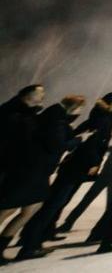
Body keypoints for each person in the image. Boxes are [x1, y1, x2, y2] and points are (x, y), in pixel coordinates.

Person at [17, 92, 112, 258]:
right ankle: (31, 242)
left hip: (74, 166)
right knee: (53, 202)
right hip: (76, 166)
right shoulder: (102, 120)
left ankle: (38, 235)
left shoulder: (100, 118)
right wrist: (93, 161)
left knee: (56, 202)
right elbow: (92, 142)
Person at [0, 95, 82, 261]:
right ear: (73, 107)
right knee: (10, 208)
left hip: (38, 171)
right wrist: (77, 140)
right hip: (33, 171)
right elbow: (56, 145)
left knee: (28, 209)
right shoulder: (56, 120)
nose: (81, 112)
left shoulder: (56, 118)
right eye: (80, 108)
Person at [58, 117, 112, 234]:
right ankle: (68, 223)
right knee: (87, 199)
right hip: (105, 174)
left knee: (110, 204)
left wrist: (110, 148)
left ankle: (104, 227)